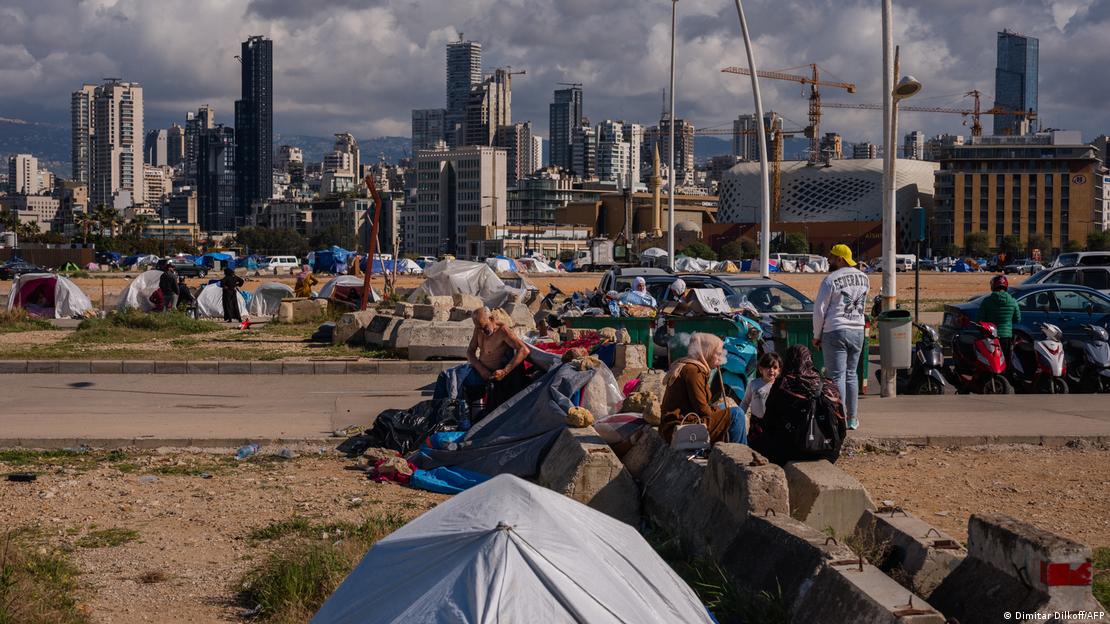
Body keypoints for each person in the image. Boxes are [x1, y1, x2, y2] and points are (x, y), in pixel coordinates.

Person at [753, 345, 846, 465]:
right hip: (828, 451)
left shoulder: (783, 384)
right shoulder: (828, 384)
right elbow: (841, 425)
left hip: (792, 451)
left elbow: (769, 420)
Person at [812, 243, 869, 430]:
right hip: (858, 330)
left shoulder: (831, 279)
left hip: (835, 330)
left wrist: (816, 335)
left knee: (836, 377)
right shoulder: (864, 278)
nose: (829, 260)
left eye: (832, 257)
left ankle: (839, 417)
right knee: (852, 375)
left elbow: (820, 310)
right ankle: (853, 418)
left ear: (840, 259)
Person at [660, 333, 744, 445]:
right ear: (707, 352)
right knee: (737, 414)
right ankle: (737, 454)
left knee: (724, 407)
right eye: (717, 354)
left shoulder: (688, 365)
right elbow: (702, 410)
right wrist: (720, 412)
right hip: (681, 428)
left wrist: (718, 410)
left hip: (674, 425)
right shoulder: (694, 371)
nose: (721, 358)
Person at [464, 307, 530, 421]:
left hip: (493, 375)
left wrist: (505, 371)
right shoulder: (478, 329)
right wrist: (481, 369)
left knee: (457, 384)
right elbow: (470, 351)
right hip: (480, 371)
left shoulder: (503, 331)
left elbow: (524, 350)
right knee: (447, 378)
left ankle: (465, 421)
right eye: (479, 328)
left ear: (491, 318)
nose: (482, 331)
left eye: (484, 327)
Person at [977, 274, 1021, 363]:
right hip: (1006, 336)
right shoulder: (1013, 301)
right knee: (1005, 361)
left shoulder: (987, 301)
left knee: (992, 362)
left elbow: (980, 320)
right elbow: (1017, 319)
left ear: (993, 286)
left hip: (990, 336)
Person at [741, 351, 783, 437]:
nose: (771, 370)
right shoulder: (754, 384)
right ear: (760, 369)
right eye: (768, 367)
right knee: (754, 445)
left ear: (779, 371)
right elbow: (745, 402)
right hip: (755, 422)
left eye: (775, 368)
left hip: (772, 423)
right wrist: (740, 415)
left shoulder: (780, 387)